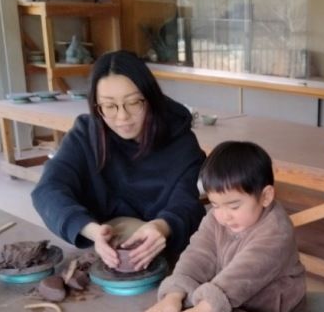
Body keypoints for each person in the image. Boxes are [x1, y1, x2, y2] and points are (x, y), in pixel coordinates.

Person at [31, 50, 206, 272]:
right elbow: (48, 190)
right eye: (109, 106)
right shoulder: (86, 134)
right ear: (96, 106)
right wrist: (92, 231)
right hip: (105, 252)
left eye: (133, 103)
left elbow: (186, 203)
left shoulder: (180, 142)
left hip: (162, 252)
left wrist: (163, 226)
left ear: (150, 98)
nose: (122, 117)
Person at [139, 141, 307, 312]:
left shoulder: (277, 231)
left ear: (266, 196)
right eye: (215, 205)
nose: (223, 216)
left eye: (234, 206)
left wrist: (204, 309)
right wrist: (175, 293)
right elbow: (199, 254)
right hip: (229, 306)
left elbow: (244, 274)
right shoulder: (216, 218)